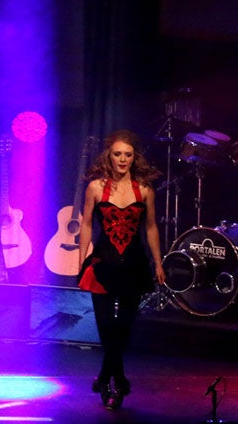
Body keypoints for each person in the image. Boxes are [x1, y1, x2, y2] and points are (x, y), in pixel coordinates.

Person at [77, 129, 163, 411]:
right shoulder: (95, 187)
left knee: (123, 329)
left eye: (128, 154)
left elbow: (151, 227)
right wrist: (81, 259)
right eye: (118, 154)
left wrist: (158, 262)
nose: (123, 159)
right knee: (105, 328)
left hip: (134, 267)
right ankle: (119, 380)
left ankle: (105, 378)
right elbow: (87, 224)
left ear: (134, 157)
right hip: (102, 265)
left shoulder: (145, 190)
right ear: (109, 156)